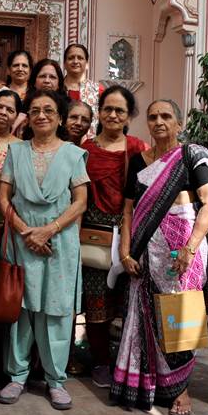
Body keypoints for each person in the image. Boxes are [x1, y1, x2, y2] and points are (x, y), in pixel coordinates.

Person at [111, 99, 208, 415]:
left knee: (178, 319)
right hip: (146, 251)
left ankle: (181, 389)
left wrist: (190, 248)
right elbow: (128, 211)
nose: (159, 121)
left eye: (166, 116)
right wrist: (125, 251)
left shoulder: (191, 156)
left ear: (179, 124)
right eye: (153, 116)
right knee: (148, 318)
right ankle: (152, 383)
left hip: (182, 251)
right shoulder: (139, 160)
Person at [0, 89, 89, 411]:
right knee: (20, 310)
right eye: (34, 110)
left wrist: (48, 230)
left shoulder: (73, 155)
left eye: (48, 110)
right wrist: (26, 232)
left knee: (56, 312)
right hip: (21, 241)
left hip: (60, 242)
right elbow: (3, 199)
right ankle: (17, 376)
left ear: (60, 117)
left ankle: (56, 381)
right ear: (28, 117)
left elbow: (80, 202)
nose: (41, 115)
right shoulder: (15, 152)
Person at [79, 85, 146, 388]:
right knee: (97, 302)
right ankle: (101, 362)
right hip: (95, 234)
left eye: (120, 110)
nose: (113, 115)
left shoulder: (138, 149)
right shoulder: (87, 148)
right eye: (108, 108)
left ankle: (129, 360)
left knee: (130, 299)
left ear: (129, 115)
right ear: (99, 112)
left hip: (130, 232)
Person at [63, 43, 103, 137]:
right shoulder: (56, 88)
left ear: (87, 64)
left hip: (90, 144)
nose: (75, 61)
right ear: (64, 64)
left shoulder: (98, 90)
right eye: (71, 58)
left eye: (80, 58)